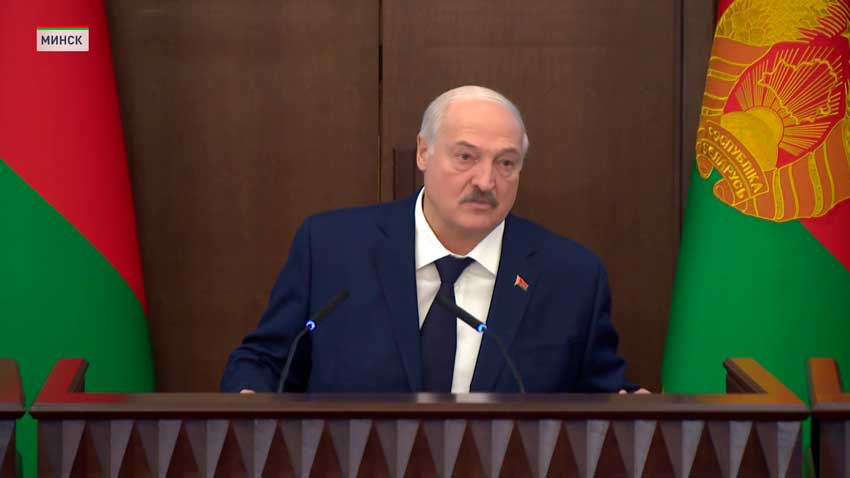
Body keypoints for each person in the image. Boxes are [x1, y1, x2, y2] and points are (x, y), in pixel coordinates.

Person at [221, 85, 639, 394]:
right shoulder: (332, 248)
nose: (485, 181)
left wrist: (631, 408)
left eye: (506, 163)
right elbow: (266, 362)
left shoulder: (570, 276)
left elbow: (602, 396)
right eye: (466, 157)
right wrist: (250, 399)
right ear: (423, 152)